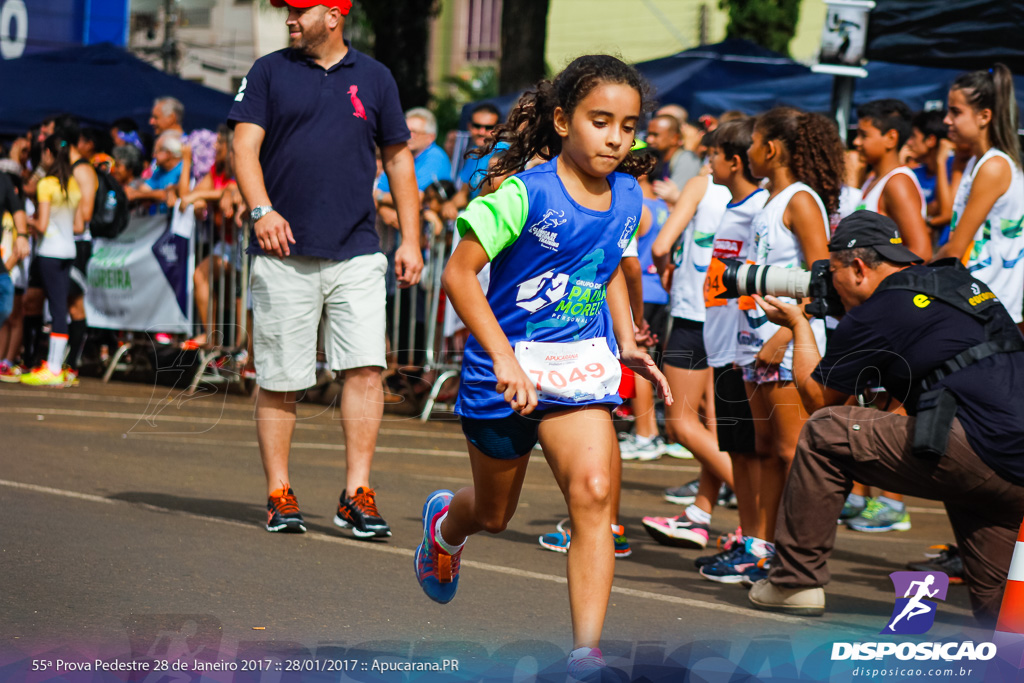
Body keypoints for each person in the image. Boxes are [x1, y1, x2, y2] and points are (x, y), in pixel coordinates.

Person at [415, 55, 672, 680]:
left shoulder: (630, 194)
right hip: (503, 372)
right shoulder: (522, 195)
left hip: (578, 368)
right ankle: (447, 528)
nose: (616, 137)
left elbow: (604, 264)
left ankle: (586, 655)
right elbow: (457, 274)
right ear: (562, 120)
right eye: (600, 121)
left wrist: (625, 337)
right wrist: (505, 357)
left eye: (628, 125)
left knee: (594, 495)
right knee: (495, 516)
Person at [747, 210, 1024, 625]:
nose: (830, 281)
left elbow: (821, 401)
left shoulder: (880, 309)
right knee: (1004, 616)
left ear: (858, 267)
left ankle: (794, 581)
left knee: (825, 433)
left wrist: (799, 324)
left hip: (977, 449)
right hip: (1010, 464)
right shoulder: (957, 284)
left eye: (833, 270)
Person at [229, 0, 422, 537]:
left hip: (358, 249)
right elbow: (243, 146)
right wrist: (262, 209)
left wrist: (411, 238)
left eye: (298, 9)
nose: (289, 18)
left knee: (365, 368)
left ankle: (356, 491)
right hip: (283, 251)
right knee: (281, 377)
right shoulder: (268, 70)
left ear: (333, 15)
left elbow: (398, 157)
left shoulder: (376, 78)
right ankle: (279, 492)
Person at [711, 107, 843, 585]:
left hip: (790, 346)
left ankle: (794, 552)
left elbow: (824, 280)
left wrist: (787, 334)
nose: (747, 151)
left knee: (792, 452)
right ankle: (761, 547)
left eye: (755, 142)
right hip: (759, 345)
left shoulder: (801, 200)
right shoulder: (772, 199)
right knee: (765, 449)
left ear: (771, 149)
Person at [646, 119, 764, 553]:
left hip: (697, 314)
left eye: (711, 153)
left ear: (729, 157)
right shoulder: (761, 198)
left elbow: (662, 245)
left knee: (680, 423)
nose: (707, 161)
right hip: (735, 320)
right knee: (720, 429)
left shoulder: (702, 185)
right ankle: (699, 514)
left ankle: (761, 512)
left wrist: (664, 267)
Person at [843, 98, 932, 532]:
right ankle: (864, 493)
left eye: (864, 134)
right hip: (871, 312)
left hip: (892, 313)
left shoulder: (898, 182)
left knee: (892, 403)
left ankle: (893, 502)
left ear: (891, 137)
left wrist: (897, 304)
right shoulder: (875, 181)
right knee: (869, 401)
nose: (857, 141)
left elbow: (921, 250)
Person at [934, 64, 1024, 326]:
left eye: (955, 112)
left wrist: (910, 276)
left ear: (984, 116)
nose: (946, 120)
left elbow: (955, 248)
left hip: (988, 310)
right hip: (976, 303)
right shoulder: (978, 162)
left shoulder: (994, 166)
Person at [21, 136, 82, 386]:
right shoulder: (73, 184)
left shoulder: (46, 184)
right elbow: (79, 225)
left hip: (50, 252)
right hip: (68, 250)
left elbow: (43, 224)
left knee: (57, 309)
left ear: (47, 155)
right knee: (59, 307)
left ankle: (54, 367)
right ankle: (55, 365)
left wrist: (27, 221)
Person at [440, 103, 504, 220]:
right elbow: (464, 193)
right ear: (469, 126)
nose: (481, 131)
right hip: (477, 219)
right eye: (476, 126)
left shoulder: (504, 151)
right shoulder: (474, 154)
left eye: (488, 127)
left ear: (498, 129)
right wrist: (450, 205)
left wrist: (472, 209)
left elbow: (495, 187)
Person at [645, 114, 701, 205]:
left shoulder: (687, 159)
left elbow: (674, 202)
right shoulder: (657, 157)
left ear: (675, 138)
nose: (649, 140)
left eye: (655, 135)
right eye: (649, 134)